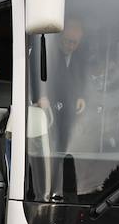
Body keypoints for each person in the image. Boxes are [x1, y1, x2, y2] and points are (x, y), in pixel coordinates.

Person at [36, 18, 88, 150]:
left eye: (74, 43)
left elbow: (82, 81)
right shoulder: (46, 53)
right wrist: (40, 96)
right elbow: (34, 77)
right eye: (68, 41)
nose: (71, 46)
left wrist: (81, 97)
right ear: (60, 36)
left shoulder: (80, 58)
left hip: (69, 117)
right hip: (47, 113)